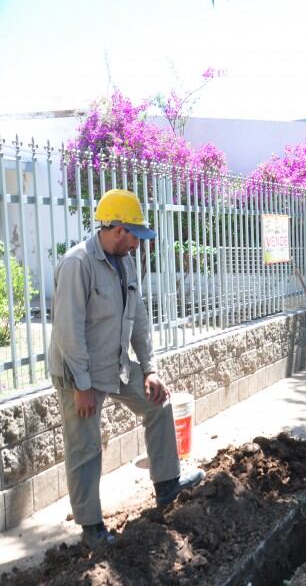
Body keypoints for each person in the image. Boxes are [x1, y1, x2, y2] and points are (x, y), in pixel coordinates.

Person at [48, 189, 204, 549]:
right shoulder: (77, 264)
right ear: (118, 229)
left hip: (114, 365)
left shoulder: (125, 262)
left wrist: (149, 370)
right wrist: (83, 384)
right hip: (78, 373)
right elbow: (68, 329)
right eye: (134, 234)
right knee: (85, 447)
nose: (138, 242)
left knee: (158, 403)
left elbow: (139, 320)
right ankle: (91, 528)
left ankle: (167, 485)